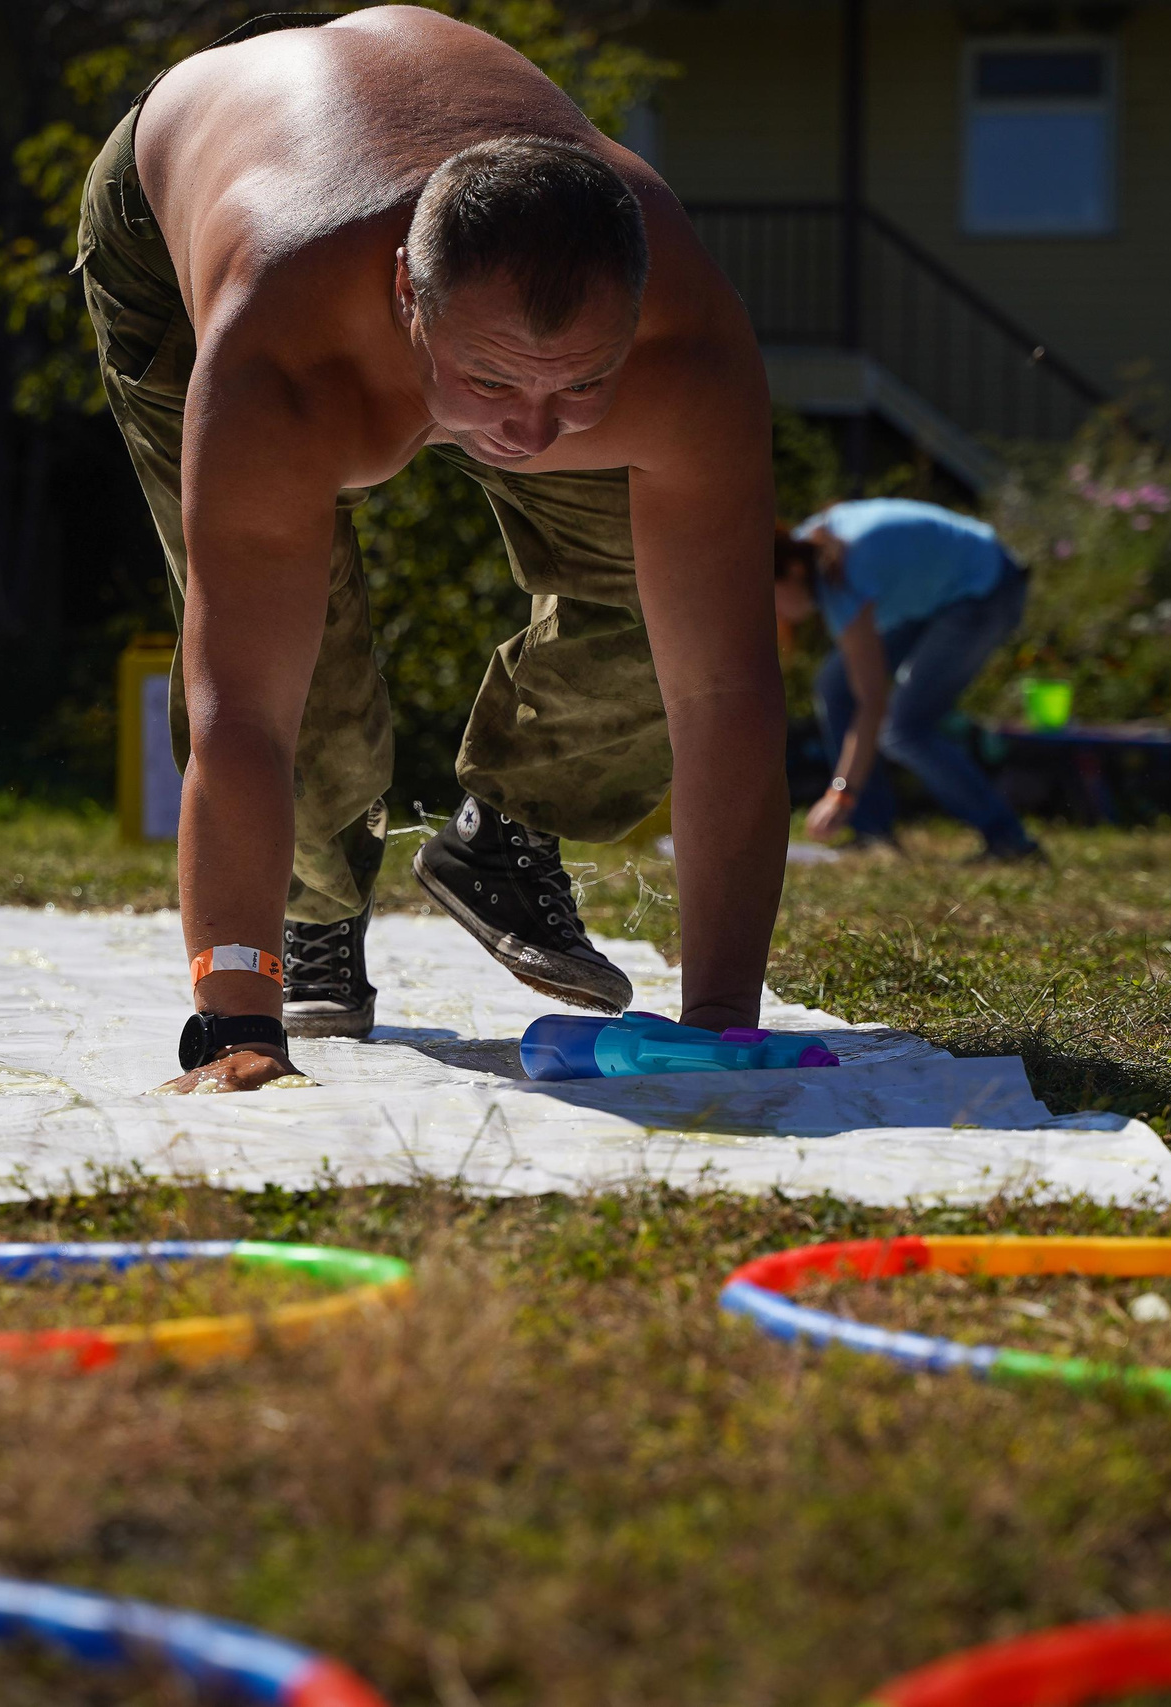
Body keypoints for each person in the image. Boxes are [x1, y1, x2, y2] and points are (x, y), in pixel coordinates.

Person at [81, 9, 788, 1093]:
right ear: (408, 299)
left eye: (584, 384)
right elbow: (245, 711)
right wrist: (235, 1023)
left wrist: (721, 1020)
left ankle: (505, 832)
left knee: (653, 625)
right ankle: (310, 917)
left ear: (637, 318)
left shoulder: (687, 355)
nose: (537, 434)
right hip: (180, 193)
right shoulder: (284, 355)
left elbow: (725, 694)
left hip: (419, 191)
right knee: (300, 674)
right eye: (494, 384)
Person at [772, 498, 1043, 861]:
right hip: (935, 592)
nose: (770, 612)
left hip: (986, 586)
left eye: (768, 597)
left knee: (906, 728)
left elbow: (871, 702)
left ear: (793, 571)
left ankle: (1009, 840)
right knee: (835, 688)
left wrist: (840, 791)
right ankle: (872, 832)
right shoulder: (812, 542)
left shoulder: (840, 577)